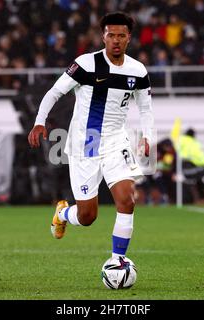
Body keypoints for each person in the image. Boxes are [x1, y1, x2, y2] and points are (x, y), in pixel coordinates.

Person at [28, 12, 154, 261]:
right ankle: (63, 214)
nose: (116, 40)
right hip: (86, 143)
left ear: (129, 38)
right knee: (87, 217)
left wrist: (147, 137)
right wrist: (39, 122)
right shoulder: (85, 65)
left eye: (121, 35)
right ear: (103, 37)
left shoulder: (137, 71)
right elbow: (54, 92)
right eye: (111, 35)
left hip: (117, 142)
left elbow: (145, 108)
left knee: (127, 200)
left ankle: (117, 261)